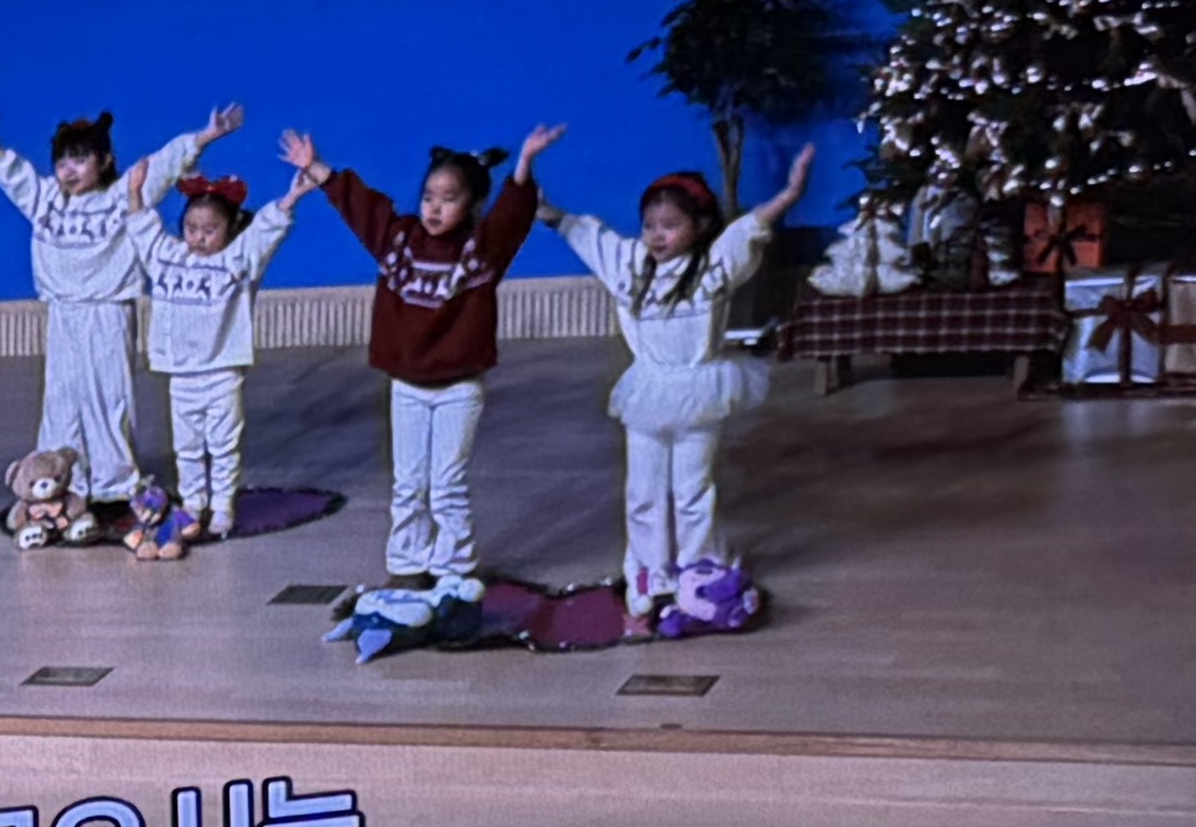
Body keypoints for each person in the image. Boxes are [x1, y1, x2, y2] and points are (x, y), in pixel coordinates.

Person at [286, 117, 562, 604]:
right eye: (429, 196)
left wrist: (523, 164)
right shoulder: (400, 242)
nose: (434, 207)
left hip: (458, 388)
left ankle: (455, 568)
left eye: (449, 198)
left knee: (447, 484)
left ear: (471, 205)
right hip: (408, 387)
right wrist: (319, 169)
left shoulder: (480, 252)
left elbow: (511, 217)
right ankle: (408, 565)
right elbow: (362, 208)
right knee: (409, 482)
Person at [557, 147, 813, 629]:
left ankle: (700, 570)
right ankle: (650, 574)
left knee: (693, 489)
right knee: (644, 490)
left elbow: (747, 231)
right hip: (648, 393)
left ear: (698, 226)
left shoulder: (713, 269)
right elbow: (588, 235)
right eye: (650, 225)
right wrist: (542, 206)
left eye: (671, 225)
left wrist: (789, 194)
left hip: (699, 393)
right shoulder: (631, 266)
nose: (657, 235)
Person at [0, 94, 235, 500]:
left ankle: (115, 484)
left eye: (79, 160)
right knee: (62, 399)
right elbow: (13, 174)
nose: (68, 170)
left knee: (109, 398)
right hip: (64, 313)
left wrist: (205, 136)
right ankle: (60, 479)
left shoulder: (121, 198)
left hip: (108, 312)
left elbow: (162, 167)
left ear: (104, 160)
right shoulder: (45, 199)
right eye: (62, 162)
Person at [131, 168, 299, 546]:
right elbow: (142, 229)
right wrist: (135, 191)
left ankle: (223, 504)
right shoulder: (168, 258)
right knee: (187, 446)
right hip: (180, 375)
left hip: (222, 373)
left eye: (210, 229)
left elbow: (265, 233)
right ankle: (193, 501)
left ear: (230, 228)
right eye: (191, 228)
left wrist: (293, 196)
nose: (199, 237)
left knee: (223, 444)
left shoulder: (238, 261)